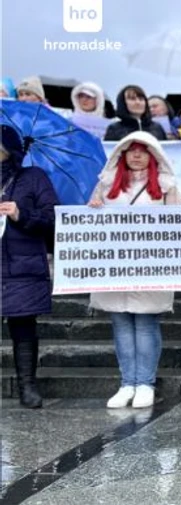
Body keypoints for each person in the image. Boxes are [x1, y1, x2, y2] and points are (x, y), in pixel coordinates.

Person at [87, 132, 181, 409]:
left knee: (145, 324)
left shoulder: (166, 187)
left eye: (143, 150)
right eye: (131, 150)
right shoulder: (105, 185)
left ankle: (145, 384)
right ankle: (126, 383)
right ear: (122, 154)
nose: (137, 155)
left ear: (153, 155)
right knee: (120, 324)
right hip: (114, 268)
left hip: (151, 267)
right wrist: (93, 209)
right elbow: (89, 227)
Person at [1, 124, 58, 408]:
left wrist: (20, 214)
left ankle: (27, 385)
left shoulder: (33, 177)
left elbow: (52, 218)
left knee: (23, 325)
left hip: (22, 264)